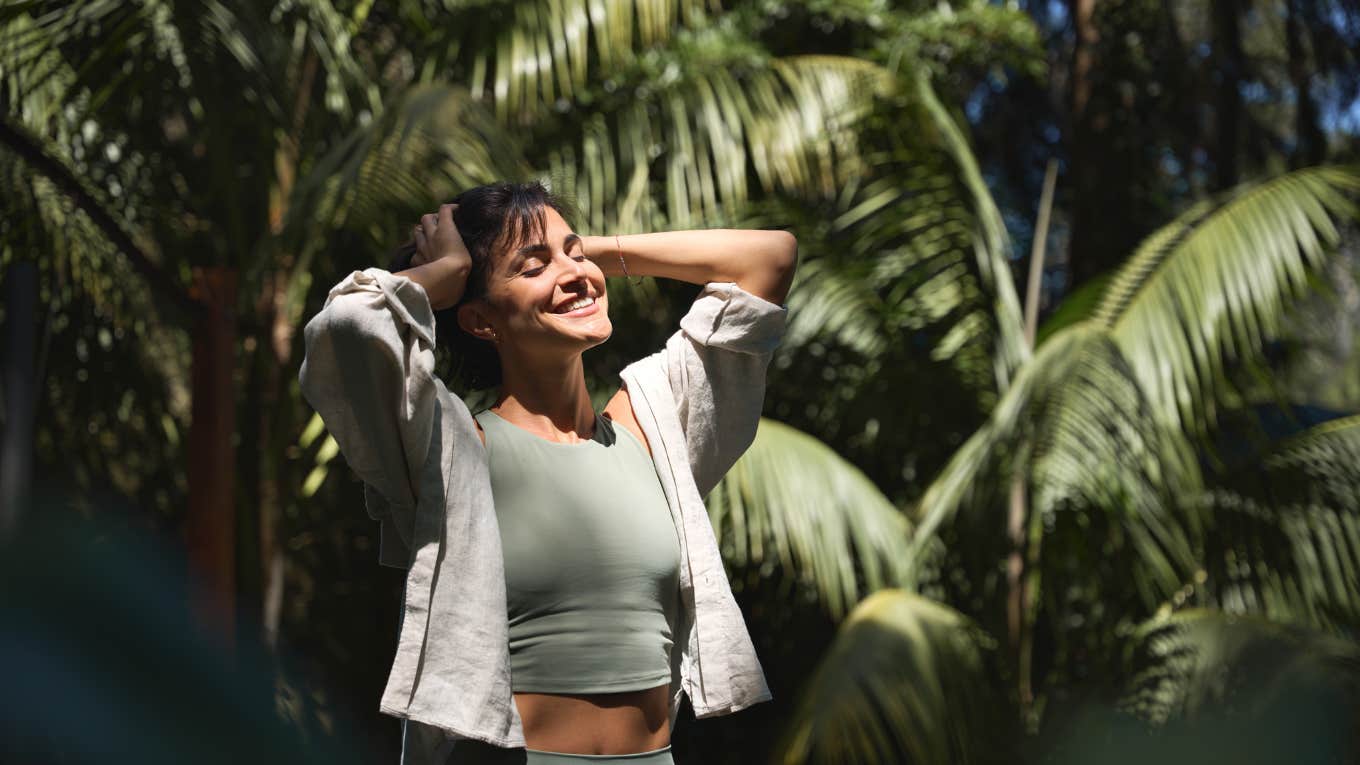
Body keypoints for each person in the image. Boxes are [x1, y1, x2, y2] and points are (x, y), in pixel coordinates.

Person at [298, 182, 796, 765]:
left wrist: (587, 258)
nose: (572, 272)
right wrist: (452, 267)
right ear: (481, 320)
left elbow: (770, 258)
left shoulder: (655, 421)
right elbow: (347, 328)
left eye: (573, 252)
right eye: (531, 266)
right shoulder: (452, 445)